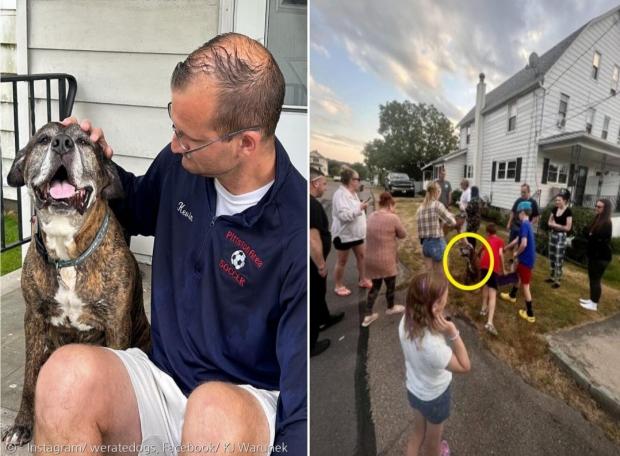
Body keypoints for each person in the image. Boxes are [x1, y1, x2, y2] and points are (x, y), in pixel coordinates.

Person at [40, 33, 307, 454]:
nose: (174, 145)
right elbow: (137, 206)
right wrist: (94, 166)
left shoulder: (296, 232)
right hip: (162, 379)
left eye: (188, 137)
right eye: (174, 125)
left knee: (211, 412)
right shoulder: (182, 164)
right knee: (62, 378)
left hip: (242, 405)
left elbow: (302, 392)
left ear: (246, 143)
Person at [399, 272, 471, 456]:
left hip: (414, 389)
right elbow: (464, 365)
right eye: (445, 299)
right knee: (433, 444)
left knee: (417, 433)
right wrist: (453, 332)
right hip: (435, 397)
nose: (447, 301)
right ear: (435, 306)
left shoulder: (406, 321)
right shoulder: (434, 347)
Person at [310, 167, 344, 356]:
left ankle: (325, 318)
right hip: (313, 264)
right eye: (323, 183)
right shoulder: (312, 205)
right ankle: (311, 343)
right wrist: (321, 265)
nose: (325, 186)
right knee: (313, 299)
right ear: (315, 183)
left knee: (320, 294)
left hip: (313, 262)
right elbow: (312, 238)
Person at [362, 192, 407, 327]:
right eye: (394, 207)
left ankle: (368, 315)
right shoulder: (393, 218)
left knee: (375, 287)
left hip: (371, 259)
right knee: (390, 285)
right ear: (389, 205)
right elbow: (403, 234)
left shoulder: (370, 216)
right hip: (386, 259)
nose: (395, 209)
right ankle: (390, 307)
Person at [332, 168, 371, 296]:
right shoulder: (340, 195)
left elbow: (354, 209)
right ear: (350, 180)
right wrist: (360, 208)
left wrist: (360, 206)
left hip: (357, 234)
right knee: (342, 262)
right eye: (357, 179)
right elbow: (343, 216)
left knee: (362, 257)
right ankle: (338, 285)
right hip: (344, 235)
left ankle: (363, 279)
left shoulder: (353, 193)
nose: (359, 181)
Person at [501, 201, 537, 323]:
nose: (517, 215)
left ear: (522, 212)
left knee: (526, 286)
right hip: (526, 259)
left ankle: (530, 314)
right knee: (517, 276)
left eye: (518, 213)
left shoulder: (525, 225)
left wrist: (517, 253)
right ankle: (512, 296)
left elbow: (523, 243)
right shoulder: (526, 224)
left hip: (526, 260)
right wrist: (506, 248)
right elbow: (518, 239)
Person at [580, 199, 613, 311]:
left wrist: (590, 235)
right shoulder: (597, 219)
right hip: (594, 255)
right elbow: (587, 232)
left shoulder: (607, 223)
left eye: (599, 207)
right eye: (596, 206)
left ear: (605, 209)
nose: (596, 208)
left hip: (601, 257)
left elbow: (598, 240)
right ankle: (591, 299)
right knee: (592, 278)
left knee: (596, 279)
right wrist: (590, 234)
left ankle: (594, 304)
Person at [417, 182, 457, 273]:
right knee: (441, 278)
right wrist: (450, 216)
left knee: (430, 275)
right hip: (437, 244)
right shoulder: (437, 205)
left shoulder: (420, 208)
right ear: (437, 192)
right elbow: (452, 222)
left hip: (425, 245)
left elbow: (420, 231)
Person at [478, 224, 505, 336]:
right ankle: (489, 322)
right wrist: (503, 269)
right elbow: (500, 254)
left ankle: (483, 309)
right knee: (493, 293)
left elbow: (481, 251)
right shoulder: (500, 241)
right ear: (495, 232)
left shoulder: (486, 239)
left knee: (485, 286)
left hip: (484, 266)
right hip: (493, 268)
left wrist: (480, 257)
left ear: (488, 233)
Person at [546, 189, 573, 289]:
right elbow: (549, 223)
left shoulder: (568, 211)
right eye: (556, 200)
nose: (557, 202)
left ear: (565, 200)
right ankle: (552, 277)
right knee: (552, 256)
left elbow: (568, 228)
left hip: (561, 236)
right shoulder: (554, 209)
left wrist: (556, 225)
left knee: (558, 258)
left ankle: (558, 280)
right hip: (553, 234)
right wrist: (557, 225)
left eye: (559, 200)